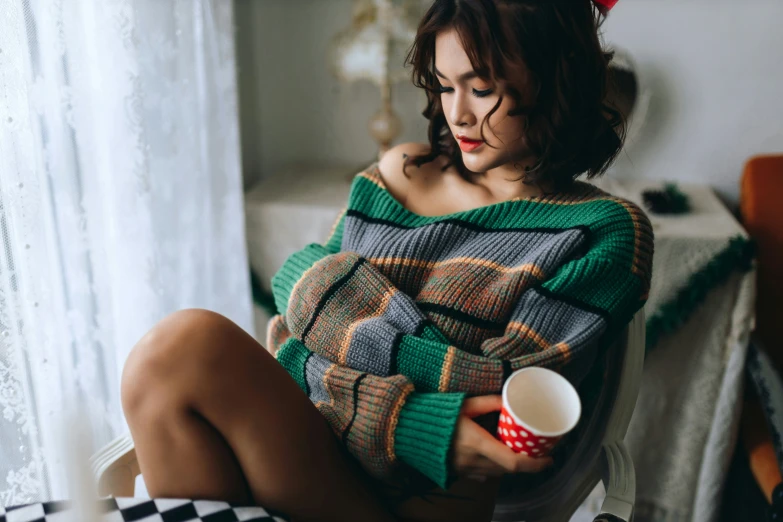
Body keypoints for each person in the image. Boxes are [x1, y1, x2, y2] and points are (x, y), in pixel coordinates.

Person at [120, 1, 653, 521]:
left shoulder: (602, 231)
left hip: (421, 502)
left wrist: (336, 303)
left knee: (190, 344)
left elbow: (505, 392)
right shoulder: (401, 173)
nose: (458, 112)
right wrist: (406, 420)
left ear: (554, 78)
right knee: (166, 358)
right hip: (314, 448)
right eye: (445, 86)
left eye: (482, 88)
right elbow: (289, 323)